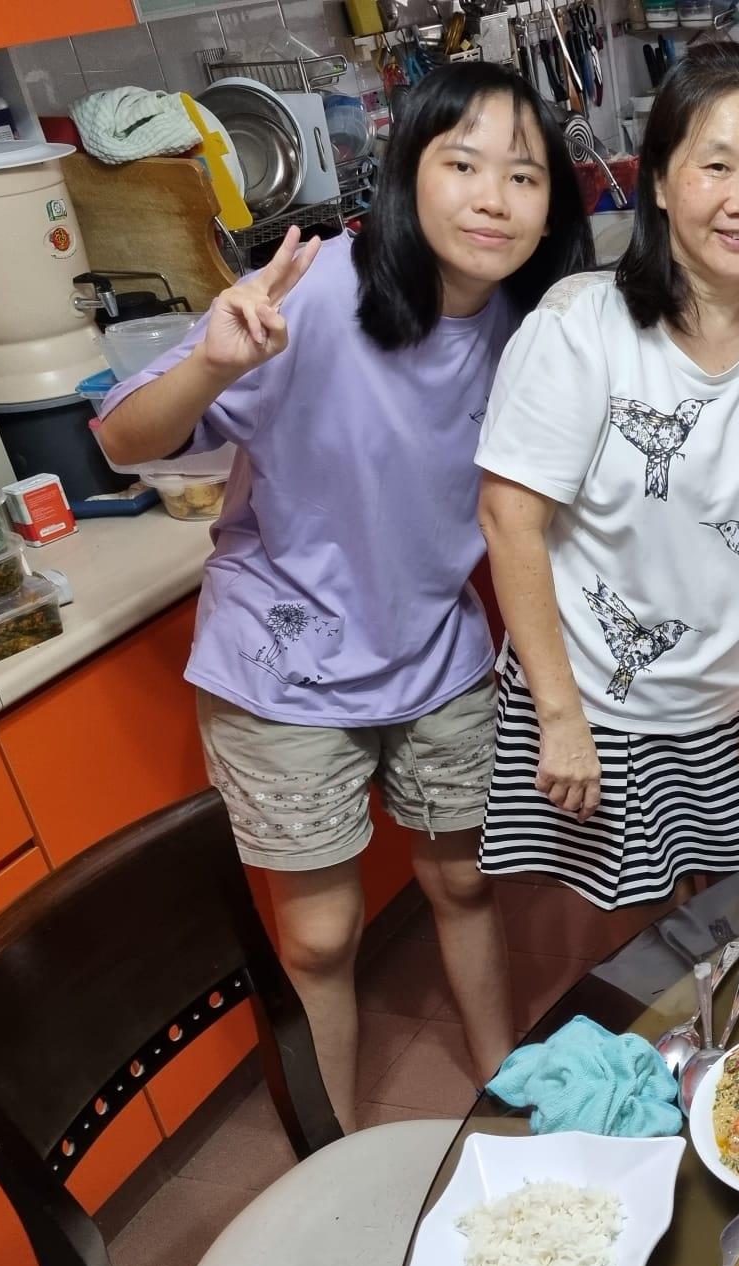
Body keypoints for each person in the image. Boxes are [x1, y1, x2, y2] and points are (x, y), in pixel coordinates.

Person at [96, 65, 587, 1131]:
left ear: (554, 205)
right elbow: (122, 439)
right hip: (283, 662)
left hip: (438, 649)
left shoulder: (534, 329)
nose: (493, 198)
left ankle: (506, 1087)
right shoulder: (317, 290)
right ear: (406, 173)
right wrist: (213, 366)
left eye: (524, 174)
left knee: (462, 885)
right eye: (461, 164)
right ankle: (335, 1154)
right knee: (320, 937)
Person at [475, 42, 739, 913]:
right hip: (593, 710)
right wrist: (560, 721)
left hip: (737, 713)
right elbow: (509, 522)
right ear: (660, 181)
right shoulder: (581, 330)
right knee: (624, 977)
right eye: (717, 166)